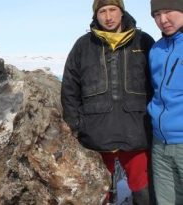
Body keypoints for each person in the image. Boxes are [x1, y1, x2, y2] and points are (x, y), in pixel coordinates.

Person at [61, 0, 155, 204]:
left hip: (136, 132)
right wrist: (75, 124)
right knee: (99, 188)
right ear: (96, 15)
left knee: (142, 187)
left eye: (113, 9)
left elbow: (157, 83)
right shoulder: (83, 45)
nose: (108, 16)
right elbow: (70, 87)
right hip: (96, 136)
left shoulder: (144, 41)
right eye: (102, 11)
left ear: (122, 12)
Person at [147, 0, 183, 204]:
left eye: (169, 11)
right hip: (160, 143)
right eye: (157, 14)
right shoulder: (156, 49)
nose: (163, 20)